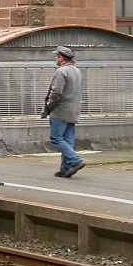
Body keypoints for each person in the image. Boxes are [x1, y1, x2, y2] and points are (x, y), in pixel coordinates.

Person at [41, 46, 85, 177]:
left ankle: (75, 160)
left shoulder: (62, 72)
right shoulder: (77, 71)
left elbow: (57, 92)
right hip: (73, 110)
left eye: (57, 56)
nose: (56, 59)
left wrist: (50, 105)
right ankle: (66, 168)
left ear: (61, 58)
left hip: (60, 111)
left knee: (56, 138)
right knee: (68, 140)